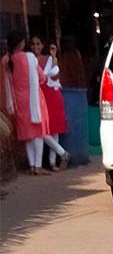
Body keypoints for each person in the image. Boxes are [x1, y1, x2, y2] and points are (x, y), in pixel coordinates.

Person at [3, 30, 69, 174]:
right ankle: (38, 166)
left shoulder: (6, 60)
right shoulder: (30, 57)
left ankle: (33, 165)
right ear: (21, 43)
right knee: (38, 132)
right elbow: (42, 78)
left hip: (18, 102)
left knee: (27, 135)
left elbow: (8, 83)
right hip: (35, 100)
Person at [30, 36, 68, 170]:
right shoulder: (29, 60)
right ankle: (62, 153)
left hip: (52, 95)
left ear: (42, 45)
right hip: (38, 97)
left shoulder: (50, 59)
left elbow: (55, 76)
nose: (36, 47)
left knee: (54, 129)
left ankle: (53, 162)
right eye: (33, 44)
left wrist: (54, 56)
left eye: (38, 44)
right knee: (41, 130)